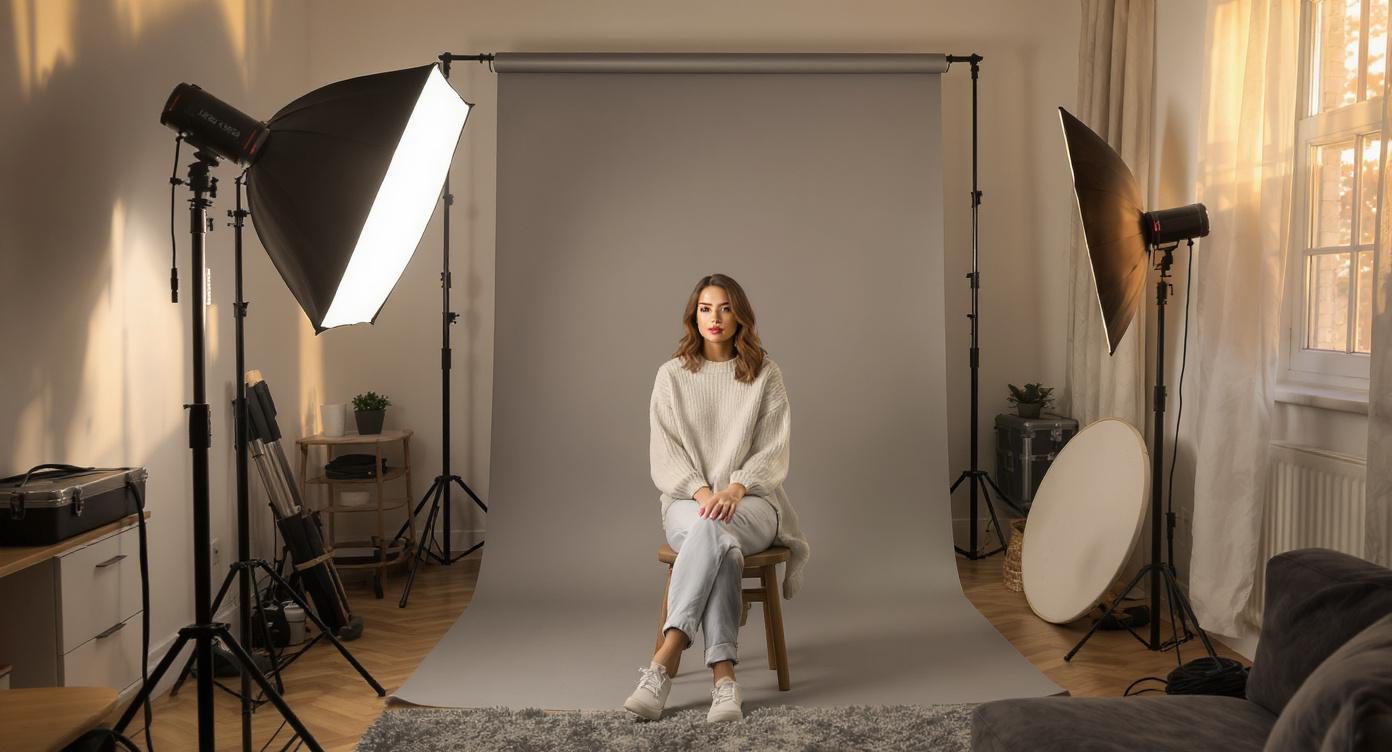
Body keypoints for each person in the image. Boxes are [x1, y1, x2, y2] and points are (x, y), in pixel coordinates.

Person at [624, 273, 810, 723]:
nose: (715, 318)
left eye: (725, 308)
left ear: (739, 315)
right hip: (689, 503)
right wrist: (704, 491)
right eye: (705, 308)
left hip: (754, 505)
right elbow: (664, 453)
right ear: (694, 315)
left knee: (714, 530)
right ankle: (724, 680)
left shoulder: (765, 372)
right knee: (717, 541)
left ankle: (665, 658)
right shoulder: (671, 376)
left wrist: (736, 487)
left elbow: (773, 450)